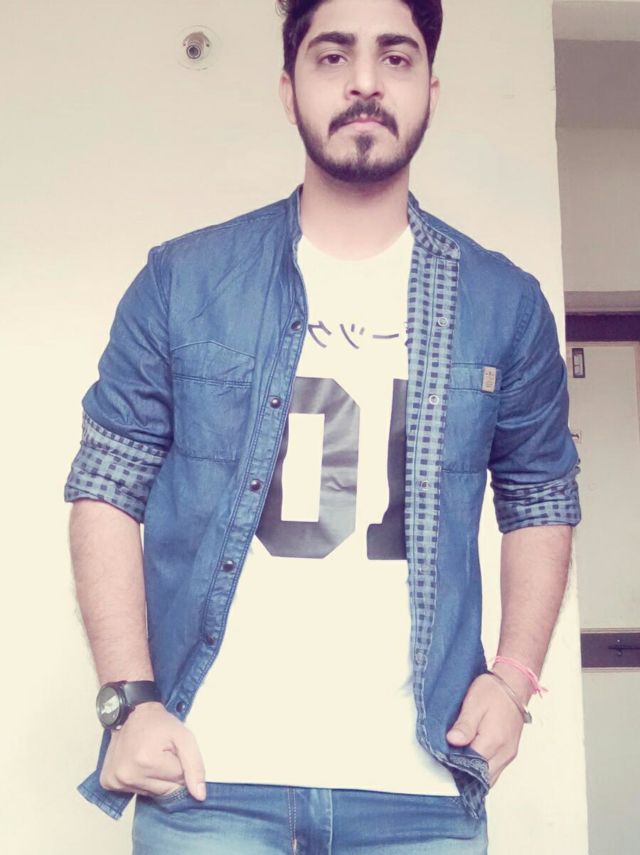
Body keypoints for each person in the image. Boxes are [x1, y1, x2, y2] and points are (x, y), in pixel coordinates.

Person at [64, 1, 581, 852]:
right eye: (333, 55)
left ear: (431, 90)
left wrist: (515, 678)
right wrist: (129, 702)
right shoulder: (182, 281)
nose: (365, 82)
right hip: (209, 783)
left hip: (422, 796)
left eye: (397, 57)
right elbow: (106, 489)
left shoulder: (505, 304)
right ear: (288, 87)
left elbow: (541, 498)